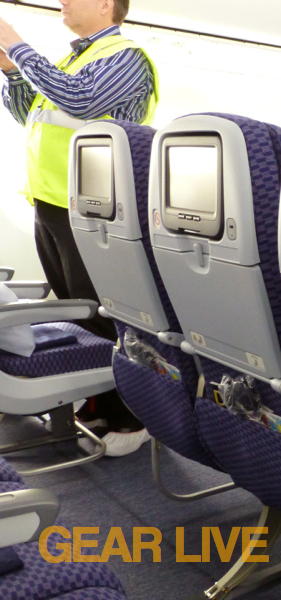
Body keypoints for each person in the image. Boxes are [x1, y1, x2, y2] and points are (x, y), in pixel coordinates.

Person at [0, 0, 160, 456]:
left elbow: (81, 101)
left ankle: (133, 418)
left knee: (101, 313)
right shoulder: (73, 59)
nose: (64, 2)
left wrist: (16, 41)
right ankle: (97, 403)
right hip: (52, 201)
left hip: (93, 207)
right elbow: (30, 113)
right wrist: (12, 70)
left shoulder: (125, 56)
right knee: (77, 312)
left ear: (106, 5)